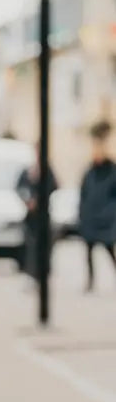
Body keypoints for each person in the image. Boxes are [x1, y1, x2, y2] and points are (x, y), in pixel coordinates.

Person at [79, 121, 116, 292]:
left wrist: (109, 213)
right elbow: (83, 194)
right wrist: (83, 214)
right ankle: (90, 282)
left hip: (105, 220)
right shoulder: (89, 172)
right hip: (91, 219)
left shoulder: (112, 172)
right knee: (89, 254)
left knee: (109, 251)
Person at [16, 150, 58, 279]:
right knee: (31, 245)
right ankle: (31, 273)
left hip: (43, 215)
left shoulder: (47, 171)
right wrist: (28, 200)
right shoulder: (28, 170)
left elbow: (54, 186)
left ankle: (43, 273)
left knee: (44, 245)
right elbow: (20, 188)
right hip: (31, 216)